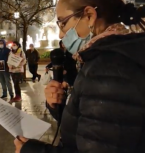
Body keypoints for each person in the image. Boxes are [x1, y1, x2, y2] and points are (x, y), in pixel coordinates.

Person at [14, 1, 145, 153]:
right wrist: (61, 106)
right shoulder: (110, 57)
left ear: (89, 16)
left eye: (62, 23)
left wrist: (31, 150)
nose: (60, 34)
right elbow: (96, 129)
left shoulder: (107, 69)